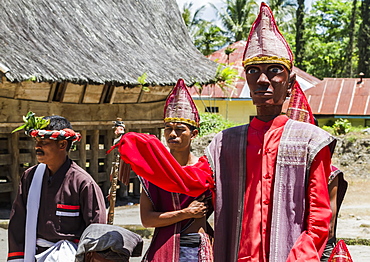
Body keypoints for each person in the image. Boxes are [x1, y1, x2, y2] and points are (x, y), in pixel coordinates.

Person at [114, 3, 336, 261]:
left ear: (290, 83)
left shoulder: (310, 141)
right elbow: (189, 182)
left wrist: (300, 257)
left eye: (274, 71)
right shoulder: (224, 144)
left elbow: (320, 218)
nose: (263, 80)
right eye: (253, 71)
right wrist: (141, 149)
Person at [7, 113, 106, 262]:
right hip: (33, 254)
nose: (37, 146)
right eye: (37, 141)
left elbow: (96, 230)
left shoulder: (83, 183)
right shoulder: (30, 177)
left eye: (44, 142)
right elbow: (18, 222)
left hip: (70, 256)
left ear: (62, 145)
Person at [139, 79, 214, 261]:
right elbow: (147, 220)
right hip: (164, 245)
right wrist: (185, 213)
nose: (172, 134)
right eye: (168, 129)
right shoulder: (154, 172)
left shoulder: (206, 169)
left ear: (194, 134)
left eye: (180, 129)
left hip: (196, 245)